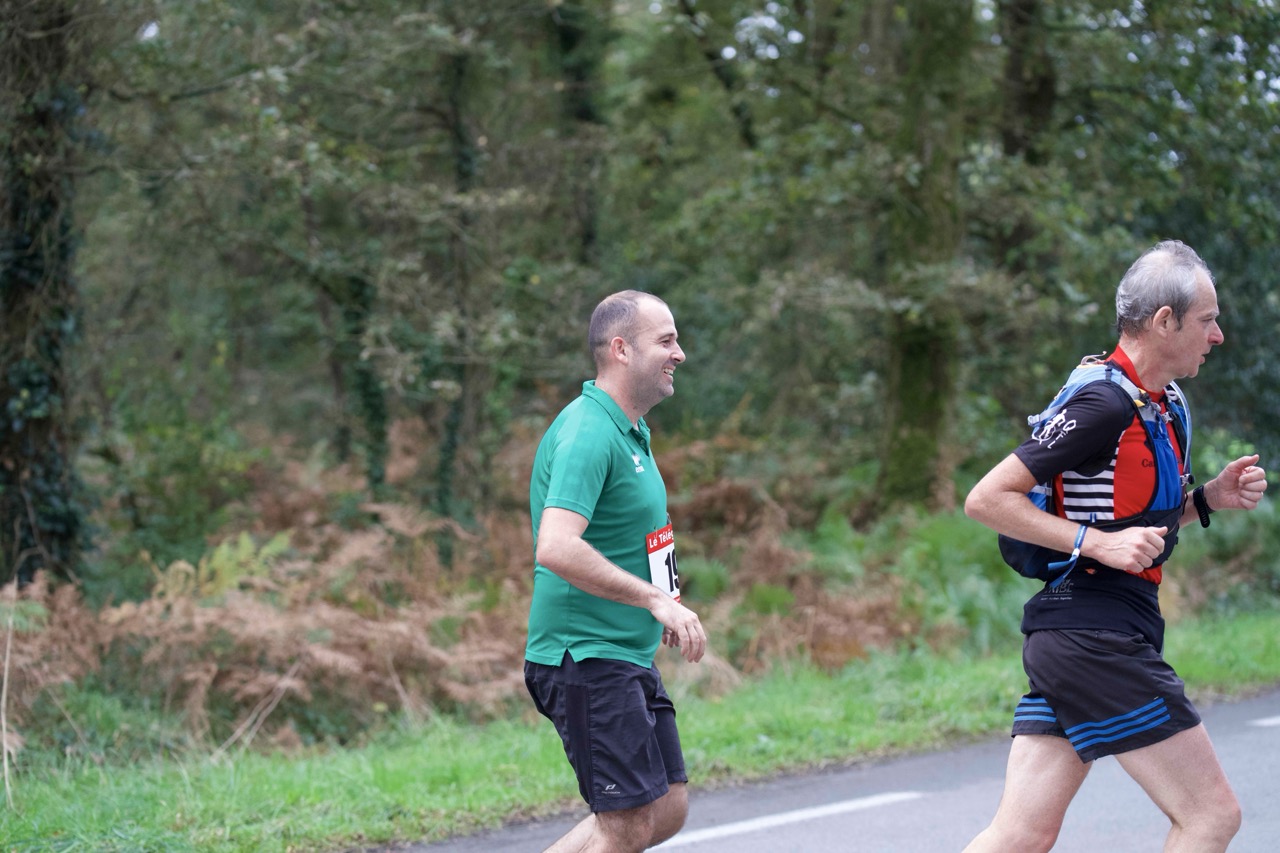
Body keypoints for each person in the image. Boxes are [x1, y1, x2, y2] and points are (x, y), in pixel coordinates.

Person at [963, 240, 1268, 853]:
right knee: (1211, 817)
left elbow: (1132, 525)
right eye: (1207, 320)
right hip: (1094, 636)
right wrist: (1095, 544)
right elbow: (987, 498)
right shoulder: (1103, 402)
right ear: (1165, 321)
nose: (1218, 336)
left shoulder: (1161, 403)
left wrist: (1208, 498)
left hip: (1077, 635)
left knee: (1021, 835)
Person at [524, 290, 707, 853]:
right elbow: (556, 546)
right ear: (622, 349)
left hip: (625, 653)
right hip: (586, 654)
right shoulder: (589, 432)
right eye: (666, 341)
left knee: (665, 807)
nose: (680, 353)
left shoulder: (629, 429)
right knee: (625, 824)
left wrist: (665, 600)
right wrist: (653, 600)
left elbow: (637, 534)